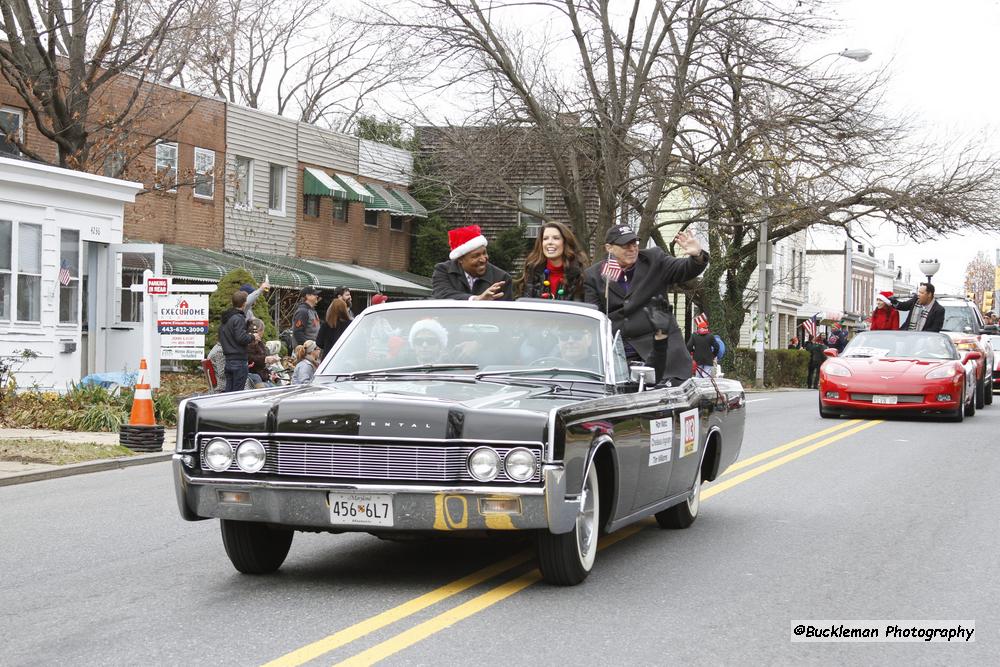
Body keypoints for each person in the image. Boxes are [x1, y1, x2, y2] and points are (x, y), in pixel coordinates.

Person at [583, 225, 709, 385]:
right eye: (625, 245)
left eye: (634, 243)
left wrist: (697, 256)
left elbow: (684, 269)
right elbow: (595, 317)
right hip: (620, 356)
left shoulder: (654, 259)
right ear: (609, 248)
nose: (632, 249)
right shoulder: (593, 276)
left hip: (664, 352)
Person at [432, 225, 513, 301]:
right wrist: (476, 299)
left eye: (484, 253)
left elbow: (504, 314)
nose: (483, 259)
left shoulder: (502, 278)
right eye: (476, 256)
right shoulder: (444, 270)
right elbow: (441, 294)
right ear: (460, 259)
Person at [514, 221, 589, 300]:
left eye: (556, 238)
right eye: (545, 239)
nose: (549, 242)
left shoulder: (580, 275)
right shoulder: (532, 271)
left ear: (565, 242)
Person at [218, 289, 259, 392]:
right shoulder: (238, 318)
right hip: (239, 361)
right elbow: (241, 338)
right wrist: (253, 337)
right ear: (244, 303)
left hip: (228, 360)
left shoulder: (226, 318)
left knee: (229, 393)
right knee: (237, 394)